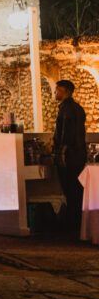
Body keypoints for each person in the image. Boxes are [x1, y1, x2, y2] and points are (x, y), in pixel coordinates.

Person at [53, 79, 86, 229]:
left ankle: (72, 225)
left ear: (65, 91)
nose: (55, 93)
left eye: (57, 90)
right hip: (79, 155)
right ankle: (79, 224)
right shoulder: (79, 108)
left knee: (70, 190)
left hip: (68, 156)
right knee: (77, 190)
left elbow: (66, 133)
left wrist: (60, 153)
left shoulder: (65, 109)